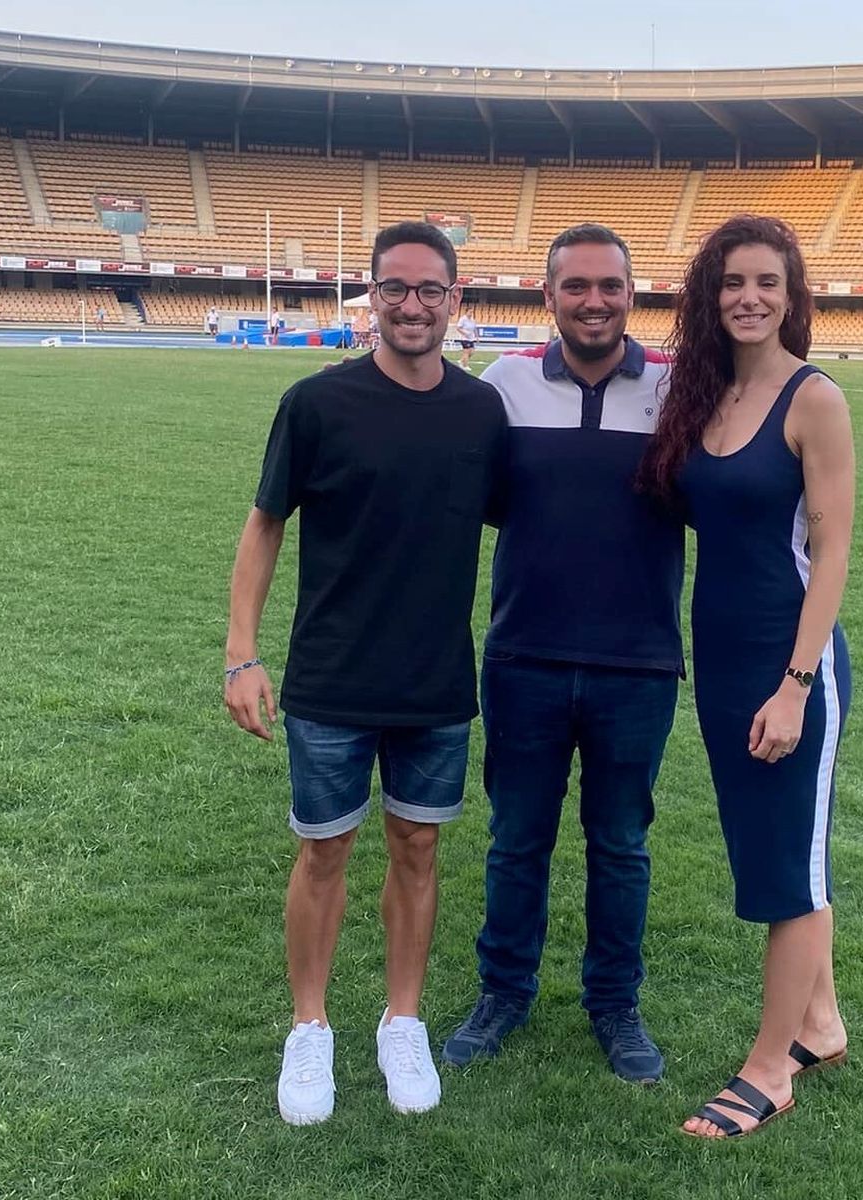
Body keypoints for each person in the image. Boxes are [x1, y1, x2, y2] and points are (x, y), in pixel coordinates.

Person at [223, 220, 507, 1125]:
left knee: (418, 849)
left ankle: (402, 1019)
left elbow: (526, 523)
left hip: (434, 682)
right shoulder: (316, 403)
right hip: (331, 678)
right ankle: (310, 1029)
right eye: (396, 288)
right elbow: (266, 523)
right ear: (371, 297)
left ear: (455, 301)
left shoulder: (479, 411)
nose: (412, 305)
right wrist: (241, 653)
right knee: (323, 852)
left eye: (430, 290)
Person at [441, 225, 684, 1085]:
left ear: (631, 294)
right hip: (525, 657)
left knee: (621, 844)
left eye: (609, 286)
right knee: (517, 840)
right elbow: (472, 498)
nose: (593, 300)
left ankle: (614, 1003)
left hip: (640, 663)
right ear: (549, 297)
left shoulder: (674, 391)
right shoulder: (501, 385)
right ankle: (503, 991)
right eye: (575, 285)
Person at [639, 215, 855, 1139]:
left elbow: (835, 549)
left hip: (787, 664)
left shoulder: (815, 400)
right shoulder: (704, 398)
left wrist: (796, 684)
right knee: (775, 849)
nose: (749, 297)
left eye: (767, 281)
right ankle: (821, 1021)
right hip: (721, 662)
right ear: (709, 294)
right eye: (732, 282)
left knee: (786, 871)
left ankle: (770, 1071)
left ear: (792, 293)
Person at [456, 304, 479, 370]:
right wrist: (464, 333)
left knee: (472, 352)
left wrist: (477, 337)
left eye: (472, 312)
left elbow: (475, 328)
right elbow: (458, 328)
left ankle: (461, 361)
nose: (471, 313)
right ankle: (465, 366)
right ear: (466, 312)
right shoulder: (463, 319)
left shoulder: (472, 320)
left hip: (471, 338)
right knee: (466, 352)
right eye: (470, 312)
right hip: (464, 338)